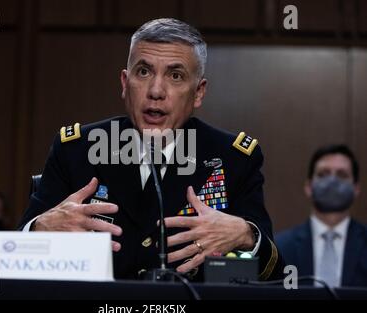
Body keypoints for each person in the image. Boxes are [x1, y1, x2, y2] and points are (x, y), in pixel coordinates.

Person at [18, 18, 283, 280]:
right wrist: (39, 229)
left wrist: (246, 235)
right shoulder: (75, 150)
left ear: (199, 92)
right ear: (125, 83)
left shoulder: (233, 159)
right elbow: (12, 256)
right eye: (143, 72)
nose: (156, 91)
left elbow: (274, 273)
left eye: (175, 76)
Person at [276, 145, 367, 287]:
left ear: (356, 189)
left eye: (342, 175)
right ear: (308, 187)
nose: (332, 182)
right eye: (323, 174)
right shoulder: (280, 248)